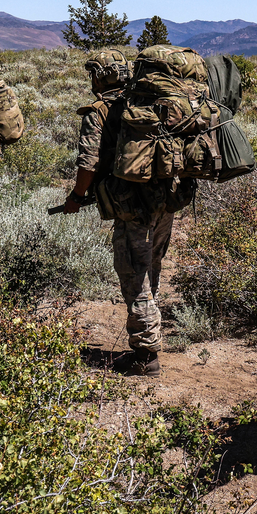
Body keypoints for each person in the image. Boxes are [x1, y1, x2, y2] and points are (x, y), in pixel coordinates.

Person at [64, 49, 188, 378]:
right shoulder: (152, 103)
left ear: (99, 77)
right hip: (166, 200)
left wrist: (76, 196)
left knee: (134, 273)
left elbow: (88, 164)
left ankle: (145, 355)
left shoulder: (100, 112)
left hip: (132, 207)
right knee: (151, 267)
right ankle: (149, 330)